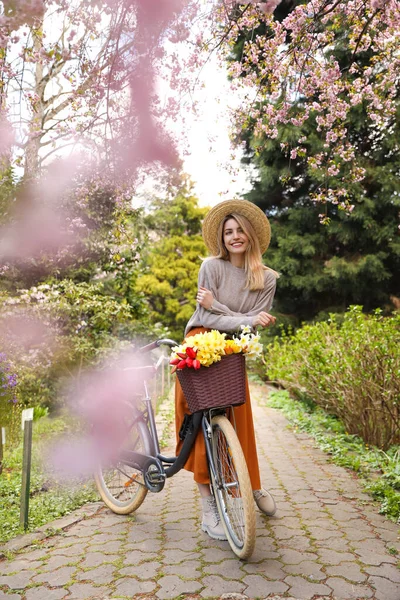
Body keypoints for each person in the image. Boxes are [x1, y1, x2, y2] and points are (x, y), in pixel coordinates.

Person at [175, 198, 279, 541]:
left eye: (239, 231)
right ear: (222, 238)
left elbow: (251, 327)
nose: (234, 236)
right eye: (228, 231)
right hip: (202, 340)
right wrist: (242, 317)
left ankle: (250, 487)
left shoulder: (267, 279)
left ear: (250, 235)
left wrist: (222, 309)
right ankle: (208, 510)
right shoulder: (211, 267)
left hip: (234, 346)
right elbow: (205, 317)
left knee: (241, 417)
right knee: (199, 419)